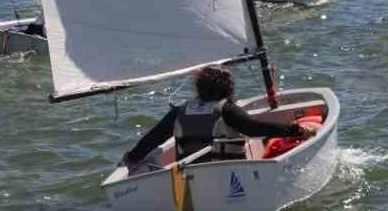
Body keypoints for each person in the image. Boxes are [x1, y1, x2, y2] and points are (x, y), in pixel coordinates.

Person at [120, 64, 317, 168]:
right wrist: (296, 130)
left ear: (199, 87)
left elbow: (155, 137)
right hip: (227, 174)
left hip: (189, 175)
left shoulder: (179, 111)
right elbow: (254, 128)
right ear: (228, 88)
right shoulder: (227, 110)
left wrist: (132, 157)